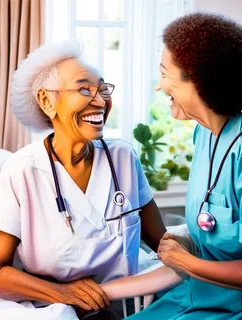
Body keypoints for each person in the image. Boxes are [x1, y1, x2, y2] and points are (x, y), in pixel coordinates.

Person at [0, 38, 166, 320]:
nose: (101, 101)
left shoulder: (123, 157)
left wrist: (205, 258)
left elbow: (161, 242)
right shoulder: (21, 171)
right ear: (47, 101)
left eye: (103, 89)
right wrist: (65, 293)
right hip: (47, 307)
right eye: (84, 89)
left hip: (120, 301)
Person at [101, 12, 242, 319]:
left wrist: (187, 262)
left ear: (202, 81)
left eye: (165, 74)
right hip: (194, 294)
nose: (158, 86)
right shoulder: (203, 133)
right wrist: (189, 243)